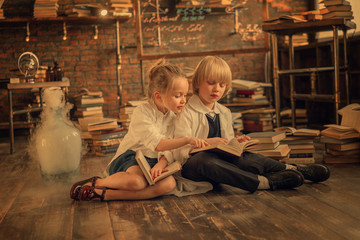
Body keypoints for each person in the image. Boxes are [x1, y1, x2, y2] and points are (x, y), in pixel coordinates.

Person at [171, 56, 330, 193]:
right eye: (211, 82)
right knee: (205, 161)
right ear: (197, 83)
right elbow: (179, 152)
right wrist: (208, 144)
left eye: (222, 84)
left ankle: (291, 169)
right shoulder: (185, 113)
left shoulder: (224, 112)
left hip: (221, 161)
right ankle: (262, 182)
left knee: (245, 157)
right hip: (195, 166)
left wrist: (237, 144)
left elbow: (228, 144)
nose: (217, 89)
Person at [70, 59, 207, 201]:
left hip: (155, 161)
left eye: (185, 95)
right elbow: (159, 144)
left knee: (169, 184)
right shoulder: (142, 112)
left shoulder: (174, 116)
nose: (183, 100)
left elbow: (170, 150)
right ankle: (98, 182)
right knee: (137, 182)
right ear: (158, 96)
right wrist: (187, 140)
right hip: (134, 157)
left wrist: (161, 164)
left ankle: (106, 195)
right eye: (178, 96)